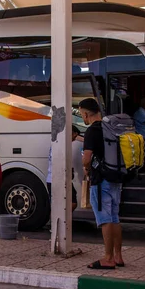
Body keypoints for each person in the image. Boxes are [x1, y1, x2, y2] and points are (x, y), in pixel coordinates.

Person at [79, 98, 124, 269]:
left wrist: (86, 168)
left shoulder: (92, 131)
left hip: (101, 180)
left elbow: (86, 158)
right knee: (114, 217)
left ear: (85, 113)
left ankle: (108, 258)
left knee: (105, 219)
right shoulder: (110, 127)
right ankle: (118, 256)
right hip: (115, 177)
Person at [46, 125, 82, 213]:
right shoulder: (60, 144)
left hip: (58, 179)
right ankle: (62, 223)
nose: (74, 139)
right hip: (57, 180)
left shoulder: (59, 142)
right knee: (68, 203)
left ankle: (62, 223)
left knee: (65, 203)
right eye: (74, 135)